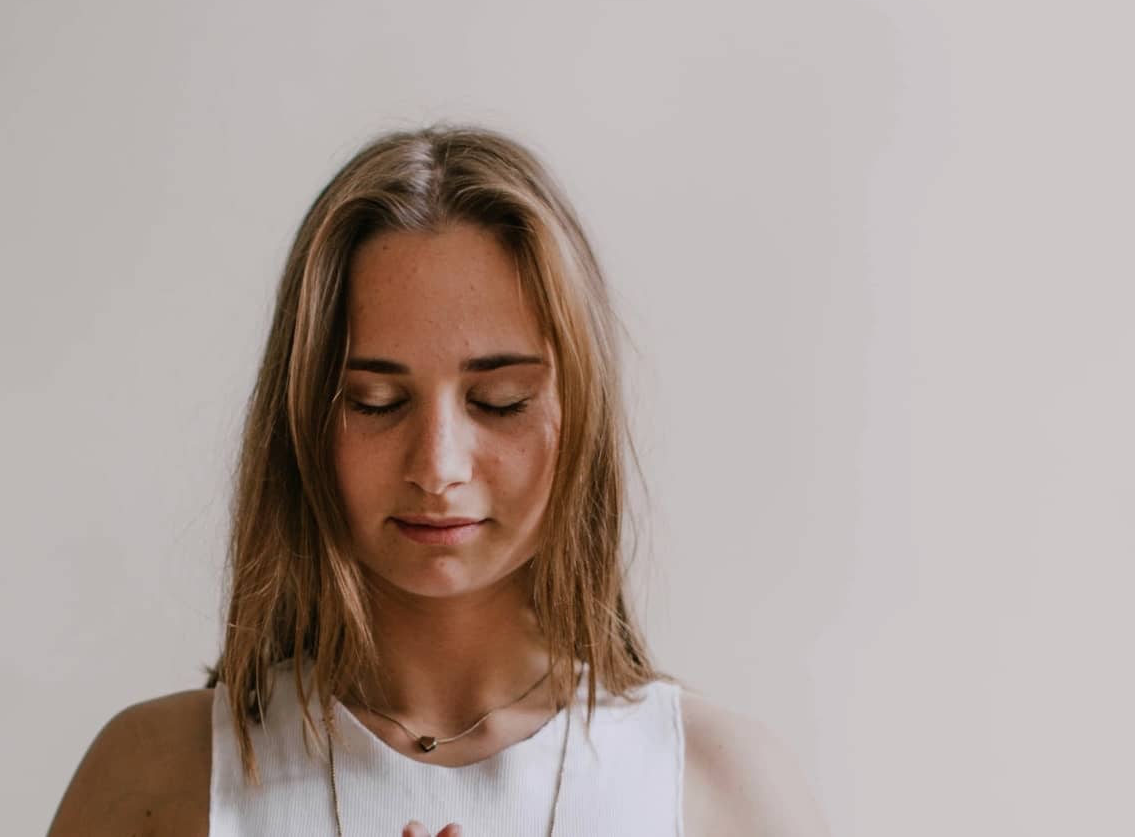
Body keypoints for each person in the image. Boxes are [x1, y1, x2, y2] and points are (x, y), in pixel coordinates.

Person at [48, 124, 831, 836]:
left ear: (581, 411)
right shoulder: (153, 778)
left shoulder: (724, 790)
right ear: (302, 423)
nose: (437, 467)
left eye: (501, 402)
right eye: (376, 403)